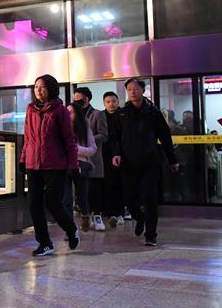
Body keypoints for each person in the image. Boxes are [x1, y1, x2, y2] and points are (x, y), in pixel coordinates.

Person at [110, 78, 178, 247]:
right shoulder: (122, 113)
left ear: (142, 90)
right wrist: (116, 153)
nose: (132, 92)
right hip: (128, 163)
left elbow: (165, 136)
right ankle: (139, 218)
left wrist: (172, 159)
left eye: (135, 88)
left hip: (150, 162)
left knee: (149, 198)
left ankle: (151, 234)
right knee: (128, 197)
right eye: (129, 89)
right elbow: (114, 137)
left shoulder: (153, 112)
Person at [20, 74, 80, 256]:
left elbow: (69, 140)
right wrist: (23, 159)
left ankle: (71, 229)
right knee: (34, 204)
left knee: (53, 203)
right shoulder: (30, 109)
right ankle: (45, 243)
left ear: (51, 89)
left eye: (43, 86)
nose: (38, 90)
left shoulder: (60, 110)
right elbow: (27, 138)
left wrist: (73, 165)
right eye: (36, 86)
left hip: (55, 164)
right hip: (33, 164)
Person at [73, 87, 108, 230]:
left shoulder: (97, 114)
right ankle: (85, 215)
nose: (76, 103)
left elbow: (104, 135)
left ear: (86, 99)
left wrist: (89, 138)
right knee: (82, 190)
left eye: (78, 100)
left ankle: (97, 216)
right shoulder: (72, 114)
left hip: (93, 156)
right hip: (77, 158)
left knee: (95, 188)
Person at [63, 101, 96, 231]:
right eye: (66, 112)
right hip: (63, 166)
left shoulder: (84, 128)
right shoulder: (60, 127)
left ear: (77, 114)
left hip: (80, 165)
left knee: (82, 196)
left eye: (71, 112)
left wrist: (76, 149)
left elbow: (93, 149)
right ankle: (69, 228)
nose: (68, 114)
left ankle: (85, 215)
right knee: (66, 199)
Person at [101, 91, 124, 228]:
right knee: (109, 184)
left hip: (123, 154)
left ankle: (121, 212)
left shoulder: (123, 115)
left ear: (118, 102)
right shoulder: (101, 116)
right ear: (104, 103)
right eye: (108, 102)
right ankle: (111, 213)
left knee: (121, 184)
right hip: (105, 155)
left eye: (114, 101)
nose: (111, 104)